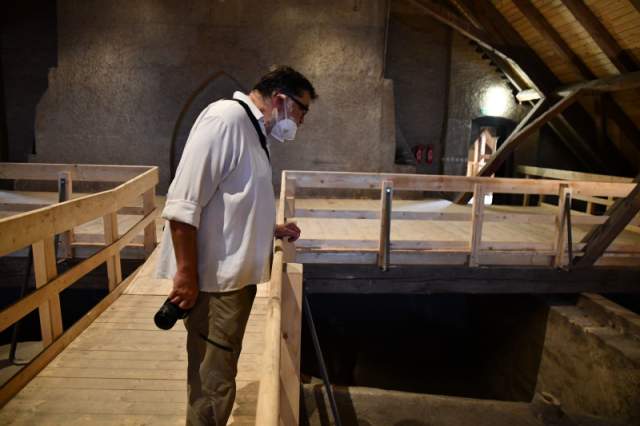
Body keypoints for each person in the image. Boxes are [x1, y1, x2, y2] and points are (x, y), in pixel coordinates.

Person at [155, 66, 317, 425]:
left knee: (221, 370)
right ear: (280, 100)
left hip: (233, 281)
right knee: (213, 382)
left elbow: (233, 198)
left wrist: (269, 228)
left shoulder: (253, 131)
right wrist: (185, 277)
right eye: (302, 110)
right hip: (215, 284)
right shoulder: (225, 120)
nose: (302, 121)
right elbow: (182, 206)